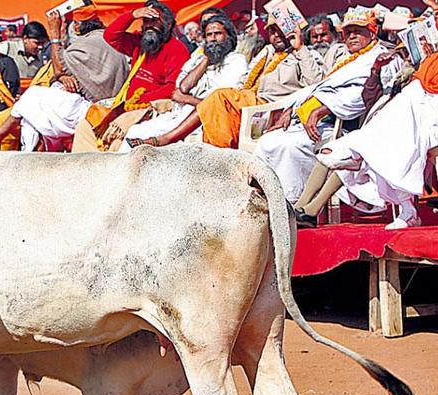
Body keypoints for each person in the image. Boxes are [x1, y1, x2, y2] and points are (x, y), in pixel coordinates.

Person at [254, 8, 401, 203]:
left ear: (372, 32)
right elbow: (319, 86)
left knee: (290, 145)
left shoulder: (383, 57)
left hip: (344, 124)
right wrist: (290, 109)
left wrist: (323, 109)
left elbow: (363, 96)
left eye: (358, 31)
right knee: (268, 141)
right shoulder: (348, 59)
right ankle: (268, 201)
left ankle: (292, 201)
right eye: (348, 32)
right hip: (315, 118)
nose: (352, 36)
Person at [293, 52, 438, 230]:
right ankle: (300, 208)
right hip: (382, 126)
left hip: (410, 124)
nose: (407, 55)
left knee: (369, 146)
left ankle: (310, 210)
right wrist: (376, 71)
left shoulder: (420, 78)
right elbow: (369, 100)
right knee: (357, 146)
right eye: (404, 51)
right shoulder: (396, 73)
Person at [132, 18, 324, 150]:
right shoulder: (267, 52)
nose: (277, 36)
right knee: (218, 102)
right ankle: (186, 147)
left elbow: (316, 84)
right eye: (272, 31)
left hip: (268, 111)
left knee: (219, 97)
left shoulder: (306, 55)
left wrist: (300, 48)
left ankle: (168, 139)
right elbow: (243, 81)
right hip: (246, 104)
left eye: (281, 30)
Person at [0, 6, 130, 151]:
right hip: (98, 107)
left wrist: (54, 37)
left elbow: (60, 68)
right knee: (32, 113)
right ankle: (28, 150)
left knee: (32, 96)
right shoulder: (107, 39)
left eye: (67, 24)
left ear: (77, 26)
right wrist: (62, 78)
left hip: (95, 110)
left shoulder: (86, 43)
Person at [71, 0, 190, 153]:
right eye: (146, 20)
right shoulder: (140, 43)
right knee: (86, 126)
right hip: (127, 105)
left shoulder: (176, 49)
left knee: (117, 135)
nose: (150, 25)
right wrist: (132, 15)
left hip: (152, 109)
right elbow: (111, 36)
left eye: (155, 21)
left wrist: (139, 100)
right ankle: (85, 170)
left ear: (167, 24)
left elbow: (173, 88)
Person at [121, 14, 247, 150]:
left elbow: (218, 102)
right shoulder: (198, 60)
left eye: (218, 34)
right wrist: (206, 60)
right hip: (179, 114)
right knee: (135, 130)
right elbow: (183, 86)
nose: (213, 39)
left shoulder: (236, 60)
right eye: (209, 35)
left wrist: (186, 99)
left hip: (206, 120)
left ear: (229, 37)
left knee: (151, 139)